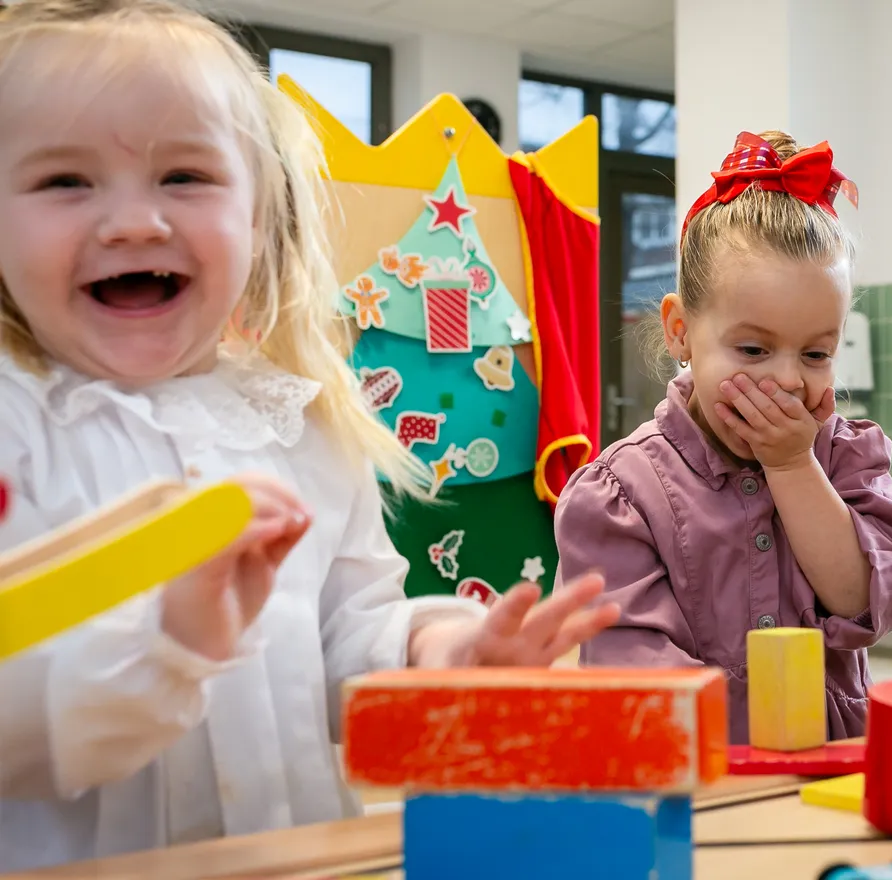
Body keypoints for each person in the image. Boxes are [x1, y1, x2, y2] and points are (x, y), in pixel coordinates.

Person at [0, 1, 618, 869]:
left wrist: (440, 651)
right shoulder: (14, 429)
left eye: (185, 177)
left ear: (262, 220)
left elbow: (347, 636)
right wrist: (164, 647)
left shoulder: (300, 423)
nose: (134, 223)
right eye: (65, 181)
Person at [555, 130, 892, 743]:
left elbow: (859, 599)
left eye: (816, 353)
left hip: (829, 766)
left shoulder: (845, 458)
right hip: (694, 773)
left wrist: (792, 466)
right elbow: (627, 668)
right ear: (680, 331)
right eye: (753, 349)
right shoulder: (620, 494)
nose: (786, 380)